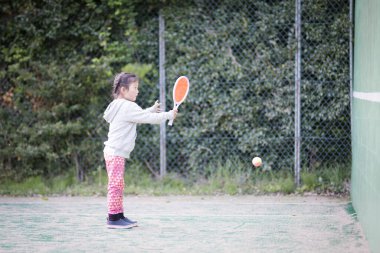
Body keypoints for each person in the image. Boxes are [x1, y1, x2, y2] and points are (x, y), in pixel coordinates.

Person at [103, 72, 177, 229]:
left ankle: (118, 215)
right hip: (115, 152)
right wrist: (169, 115)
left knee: (118, 184)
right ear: (123, 90)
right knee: (115, 185)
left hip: (112, 151)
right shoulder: (127, 106)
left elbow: (139, 115)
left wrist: (151, 109)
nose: (138, 91)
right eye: (135, 88)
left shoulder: (118, 104)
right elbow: (147, 119)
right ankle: (113, 219)